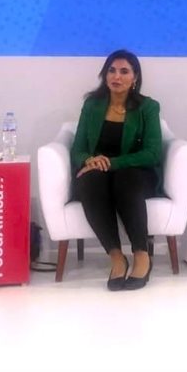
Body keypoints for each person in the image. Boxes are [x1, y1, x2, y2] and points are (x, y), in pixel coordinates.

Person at [70, 50, 161, 290]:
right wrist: (90, 160)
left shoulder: (148, 107)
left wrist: (111, 163)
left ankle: (141, 255)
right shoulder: (92, 105)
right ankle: (116, 257)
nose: (116, 76)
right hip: (99, 173)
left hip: (136, 172)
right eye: (111, 70)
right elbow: (77, 149)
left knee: (125, 179)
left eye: (124, 71)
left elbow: (153, 153)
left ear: (135, 77)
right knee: (89, 181)